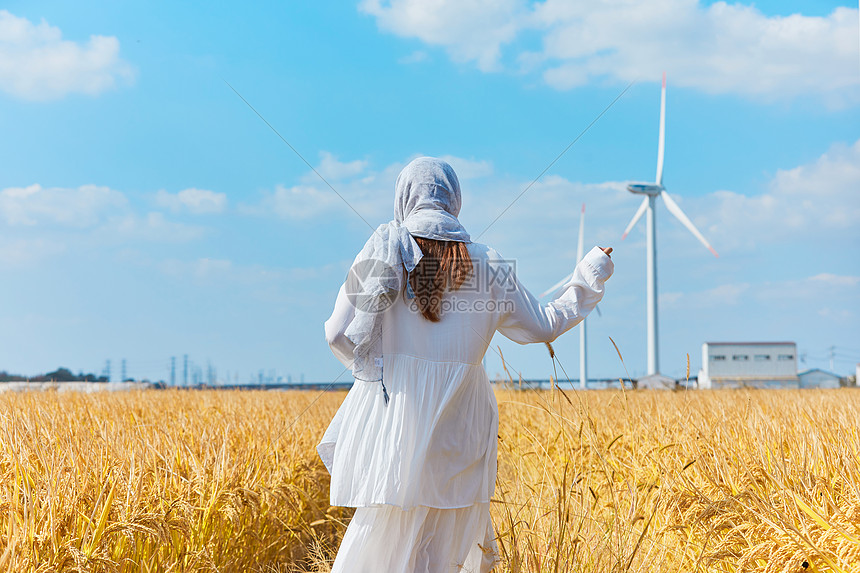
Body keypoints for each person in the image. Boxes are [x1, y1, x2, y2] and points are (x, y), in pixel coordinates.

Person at [319, 156, 614, 572]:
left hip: (396, 424)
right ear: (454, 199)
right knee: (454, 552)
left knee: (385, 543)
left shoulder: (379, 252)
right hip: (464, 429)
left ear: (404, 197)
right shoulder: (489, 263)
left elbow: (336, 333)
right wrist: (589, 274)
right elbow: (545, 325)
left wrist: (377, 370)